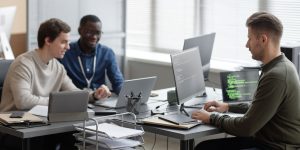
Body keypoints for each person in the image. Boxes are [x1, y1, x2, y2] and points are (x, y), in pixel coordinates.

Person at [192, 12, 300, 149]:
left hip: (275, 146)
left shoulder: (276, 75)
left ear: (263, 40)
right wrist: (228, 107)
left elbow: (246, 127)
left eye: (249, 38)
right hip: (268, 141)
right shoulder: (281, 66)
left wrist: (211, 117)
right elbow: (260, 108)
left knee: (204, 148)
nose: (246, 45)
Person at [0, 18, 109, 150]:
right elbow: (23, 101)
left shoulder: (57, 67)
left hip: (43, 125)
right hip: (15, 129)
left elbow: (73, 92)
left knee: (77, 137)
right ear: (48, 40)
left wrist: (94, 95)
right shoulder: (23, 63)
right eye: (63, 42)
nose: (68, 47)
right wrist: (56, 102)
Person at [60, 15, 124, 95]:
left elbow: (118, 82)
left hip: (100, 100)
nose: (94, 37)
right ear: (80, 31)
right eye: (90, 32)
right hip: (74, 99)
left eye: (98, 33)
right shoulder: (65, 52)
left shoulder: (107, 53)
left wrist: (128, 95)